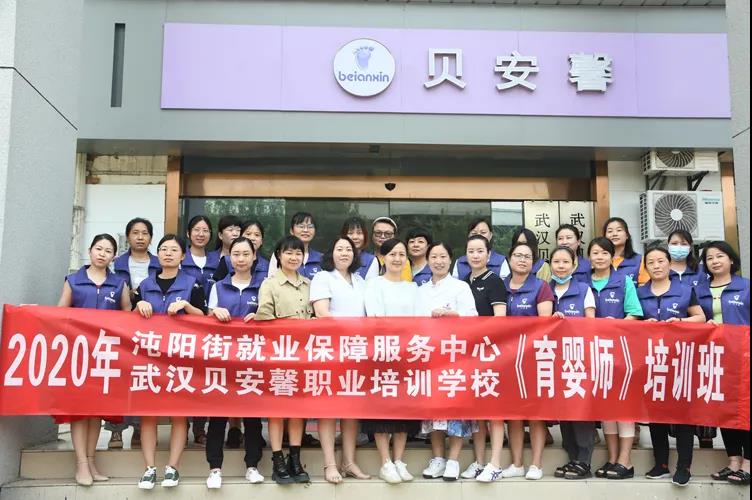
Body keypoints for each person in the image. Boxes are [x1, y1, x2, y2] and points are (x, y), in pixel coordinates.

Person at [133, 234, 206, 490]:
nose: (168, 253)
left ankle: (172, 467)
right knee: (149, 414)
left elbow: (204, 317)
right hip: (149, 358)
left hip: (180, 358)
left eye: (174, 250)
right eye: (163, 249)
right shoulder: (145, 285)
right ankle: (149, 468)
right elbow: (128, 320)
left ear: (183, 256)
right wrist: (139, 304)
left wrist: (187, 305)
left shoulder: (193, 283)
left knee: (179, 413)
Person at [56, 234, 130, 486]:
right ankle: (81, 464)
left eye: (108, 250)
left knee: (96, 410)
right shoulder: (73, 281)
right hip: (79, 355)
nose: (102, 253)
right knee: (79, 410)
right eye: (99, 248)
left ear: (114, 257)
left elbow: (127, 316)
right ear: (90, 251)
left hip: (105, 357)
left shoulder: (119, 284)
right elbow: (59, 314)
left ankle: (91, 461)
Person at [637, 245, 705, 487]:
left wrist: (682, 321)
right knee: (656, 415)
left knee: (683, 414)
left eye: (660, 261)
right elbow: (631, 321)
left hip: (680, 361)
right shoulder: (640, 292)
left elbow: (701, 317)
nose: (656, 266)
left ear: (669, 263)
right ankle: (661, 464)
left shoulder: (685, 290)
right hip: (651, 361)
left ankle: (684, 466)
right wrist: (643, 325)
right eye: (651, 262)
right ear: (646, 267)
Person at [204, 237, 265, 489]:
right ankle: (214, 468)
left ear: (254, 257)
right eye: (236, 254)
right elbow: (206, 319)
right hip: (223, 360)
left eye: (245, 254)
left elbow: (272, 315)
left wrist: (261, 314)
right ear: (229, 258)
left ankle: (252, 466)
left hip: (253, 359)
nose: (240, 259)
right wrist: (213, 313)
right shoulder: (218, 287)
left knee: (252, 416)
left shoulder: (264, 285)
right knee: (218, 415)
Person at [309, 236, 370, 484]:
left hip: (357, 351)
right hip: (330, 350)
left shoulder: (361, 281)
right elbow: (322, 313)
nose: (344, 253)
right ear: (331, 253)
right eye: (339, 248)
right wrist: (352, 328)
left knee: (351, 408)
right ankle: (330, 463)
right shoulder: (323, 277)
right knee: (329, 408)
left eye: (348, 249)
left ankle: (349, 461)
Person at [255, 235, 314, 484]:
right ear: (279, 255)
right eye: (288, 252)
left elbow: (316, 318)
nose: (293, 257)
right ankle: (278, 458)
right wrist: (293, 326)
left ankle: (295, 458)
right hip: (278, 355)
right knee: (277, 409)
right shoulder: (269, 284)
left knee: (299, 409)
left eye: (298, 253)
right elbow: (264, 317)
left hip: (305, 356)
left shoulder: (309, 284)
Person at [417, 242, 478, 481]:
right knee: (433, 411)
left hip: (455, 357)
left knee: (455, 411)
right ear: (427, 260)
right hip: (429, 356)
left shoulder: (461, 287)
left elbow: (473, 318)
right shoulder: (420, 290)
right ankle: (438, 458)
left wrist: (452, 315)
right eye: (434, 256)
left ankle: (453, 460)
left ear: (451, 259)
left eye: (443, 256)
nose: (438, 261)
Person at [363, 239, 420, 484]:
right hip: (382, 354)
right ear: (383, 257)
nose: (397, 258)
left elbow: (419, 319)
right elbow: (375, 317)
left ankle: (398, 460)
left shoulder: (413, 288)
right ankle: (385, 462)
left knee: (404, 409)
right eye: (392, 254)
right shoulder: (374, 285)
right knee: (382, 409)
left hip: (408, 355)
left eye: (401, 254)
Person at [587, 237, 643, 480]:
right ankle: (612, 458)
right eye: (595, 253)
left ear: (612, 257)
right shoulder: (582, 282)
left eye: (604, 253)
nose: (599, 257)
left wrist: (615, 325)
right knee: (606, 406)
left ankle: (625, 461)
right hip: (593, 353)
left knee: (623, 405)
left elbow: (635, 314)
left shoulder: (624, 281)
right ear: (589, 257)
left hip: (620, 352)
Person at [696, 241, 751, 486]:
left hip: (744, 358)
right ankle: (733, 460)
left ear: (731, 259)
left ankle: (748, 463)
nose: (715, 261)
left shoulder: (745, 287)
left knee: (745, 409)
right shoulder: (700, 290)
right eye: (709, 258)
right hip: (715, 358)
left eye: (719, 256)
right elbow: (694, 318)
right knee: (725, 410)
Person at [501, 241, 554, 481]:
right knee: (512, 413)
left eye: (527, 257)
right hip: (506, 359)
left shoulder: (541, 287)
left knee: (534, 412)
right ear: (509, 259)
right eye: (518, 255)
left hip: (533, 358)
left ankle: (536, 464)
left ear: (533, 263)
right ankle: (517, 464)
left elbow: (545, 323)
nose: (522, 260)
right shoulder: (500, 286)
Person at [108, 217, 159, 450]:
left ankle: (139, 427)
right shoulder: (116, 263)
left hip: (150, 330)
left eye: (145, 233)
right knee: (118, 378)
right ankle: (115, 430)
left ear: (151, 238)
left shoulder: (159, 263)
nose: (140, 237)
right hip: (121, 327)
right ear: (128, 236)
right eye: (135, 233)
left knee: (143, 378)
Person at [460, 235, 508, 482]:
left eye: (480, 251)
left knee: (494, 410)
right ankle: (479, 462)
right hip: (469, 354)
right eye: (471, 251)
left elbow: (500, 319)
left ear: (489, 255)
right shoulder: (463, 282)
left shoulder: (495, 281)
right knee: (476, 410)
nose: (475, 255)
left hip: (491, 353)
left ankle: (495, 463)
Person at [548, 246, 597, 480]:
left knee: (580, 408)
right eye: (556, 262)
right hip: (551, 358)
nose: (560, 266)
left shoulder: (584, 289)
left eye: (565, 262)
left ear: (574, 265)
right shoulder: (545, 289)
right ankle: (572, 457)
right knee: (563, 409)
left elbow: (591, 323)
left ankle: (584, 461)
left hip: (578, 358)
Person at [179, 215, 219, 446]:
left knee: (203, 377)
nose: (201, 234)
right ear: (188, 233)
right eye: (196, 229)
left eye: (205, 230)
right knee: (183, 377)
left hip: (209, 326)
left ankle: (199, 427)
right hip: (183, 327)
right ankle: (181, 426)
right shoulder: (180, 257)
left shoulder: (217, 260)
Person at [268, 212, 322, 280]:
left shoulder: (321, 258)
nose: (306, 230)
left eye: (310, 227)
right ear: (291, 231)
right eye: (301, 226)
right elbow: (272, 280)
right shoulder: (281, 254)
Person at [603, 217, 649, 286]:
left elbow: (644, 288)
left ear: (627, 235)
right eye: (610, 231)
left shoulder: (639, 260)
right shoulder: (599, 260)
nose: (614, 234)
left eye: (619, 230)